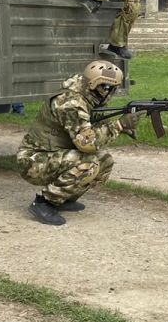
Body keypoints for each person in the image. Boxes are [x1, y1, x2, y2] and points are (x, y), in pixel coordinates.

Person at [16, 60, 140, 226]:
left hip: (52, 154)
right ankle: (44, 203)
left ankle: (64, 196)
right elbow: (86, 143)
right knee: (89, 164)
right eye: (109, 88)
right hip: (33, 160)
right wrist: (118, 125)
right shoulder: (70, 102)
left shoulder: (85, 97)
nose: (111, 93)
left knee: (105, 160)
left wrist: (119, 128)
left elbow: (88, 130)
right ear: (97, 85)